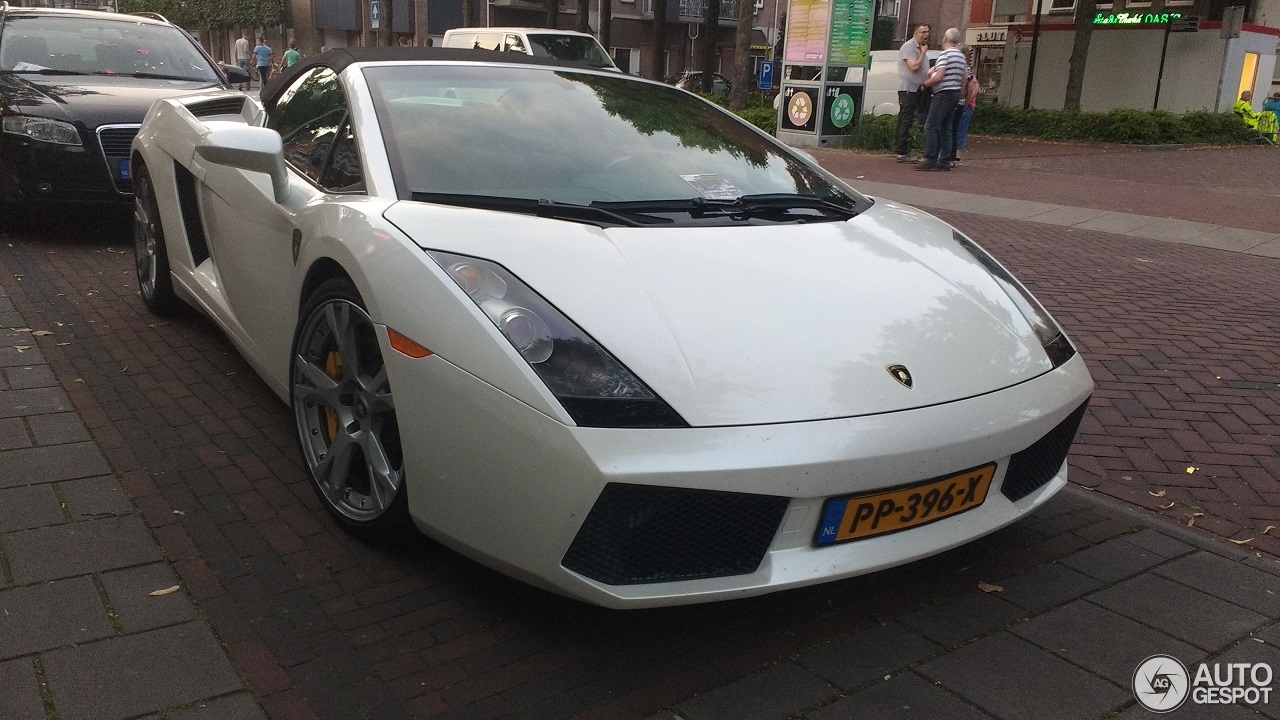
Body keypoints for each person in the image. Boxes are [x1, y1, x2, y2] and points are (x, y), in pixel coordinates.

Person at [917, 28, 966, 172]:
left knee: (931, 125)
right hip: (955, 93)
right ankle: (945, 160)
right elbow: (963, 79)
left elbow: (939, 77)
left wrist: (925, 85)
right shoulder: (961, 57)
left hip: (943, 93)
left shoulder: (945, 55)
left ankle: (930, 159)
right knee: (947, 127)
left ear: (945, 39)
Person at [893, 25, 930, 162]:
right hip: (908, 89)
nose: (926, 35)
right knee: (906, 118)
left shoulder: (920, 48)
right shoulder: (909, 47)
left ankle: (901, 148)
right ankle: (901, 152)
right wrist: (923, 53)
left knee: (910, 118)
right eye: (923, 32)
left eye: (928, 32)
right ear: (916, 33)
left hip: (917, 89)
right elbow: (914, 67)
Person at [946, 55, 980, 167]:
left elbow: (973, 89)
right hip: (964, 104)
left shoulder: (964, 71)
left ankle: (951, 155)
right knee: (957, 130)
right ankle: (954, 156)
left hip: (961, 104)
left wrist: (968, 101)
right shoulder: (968, 71)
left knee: (952, 129)